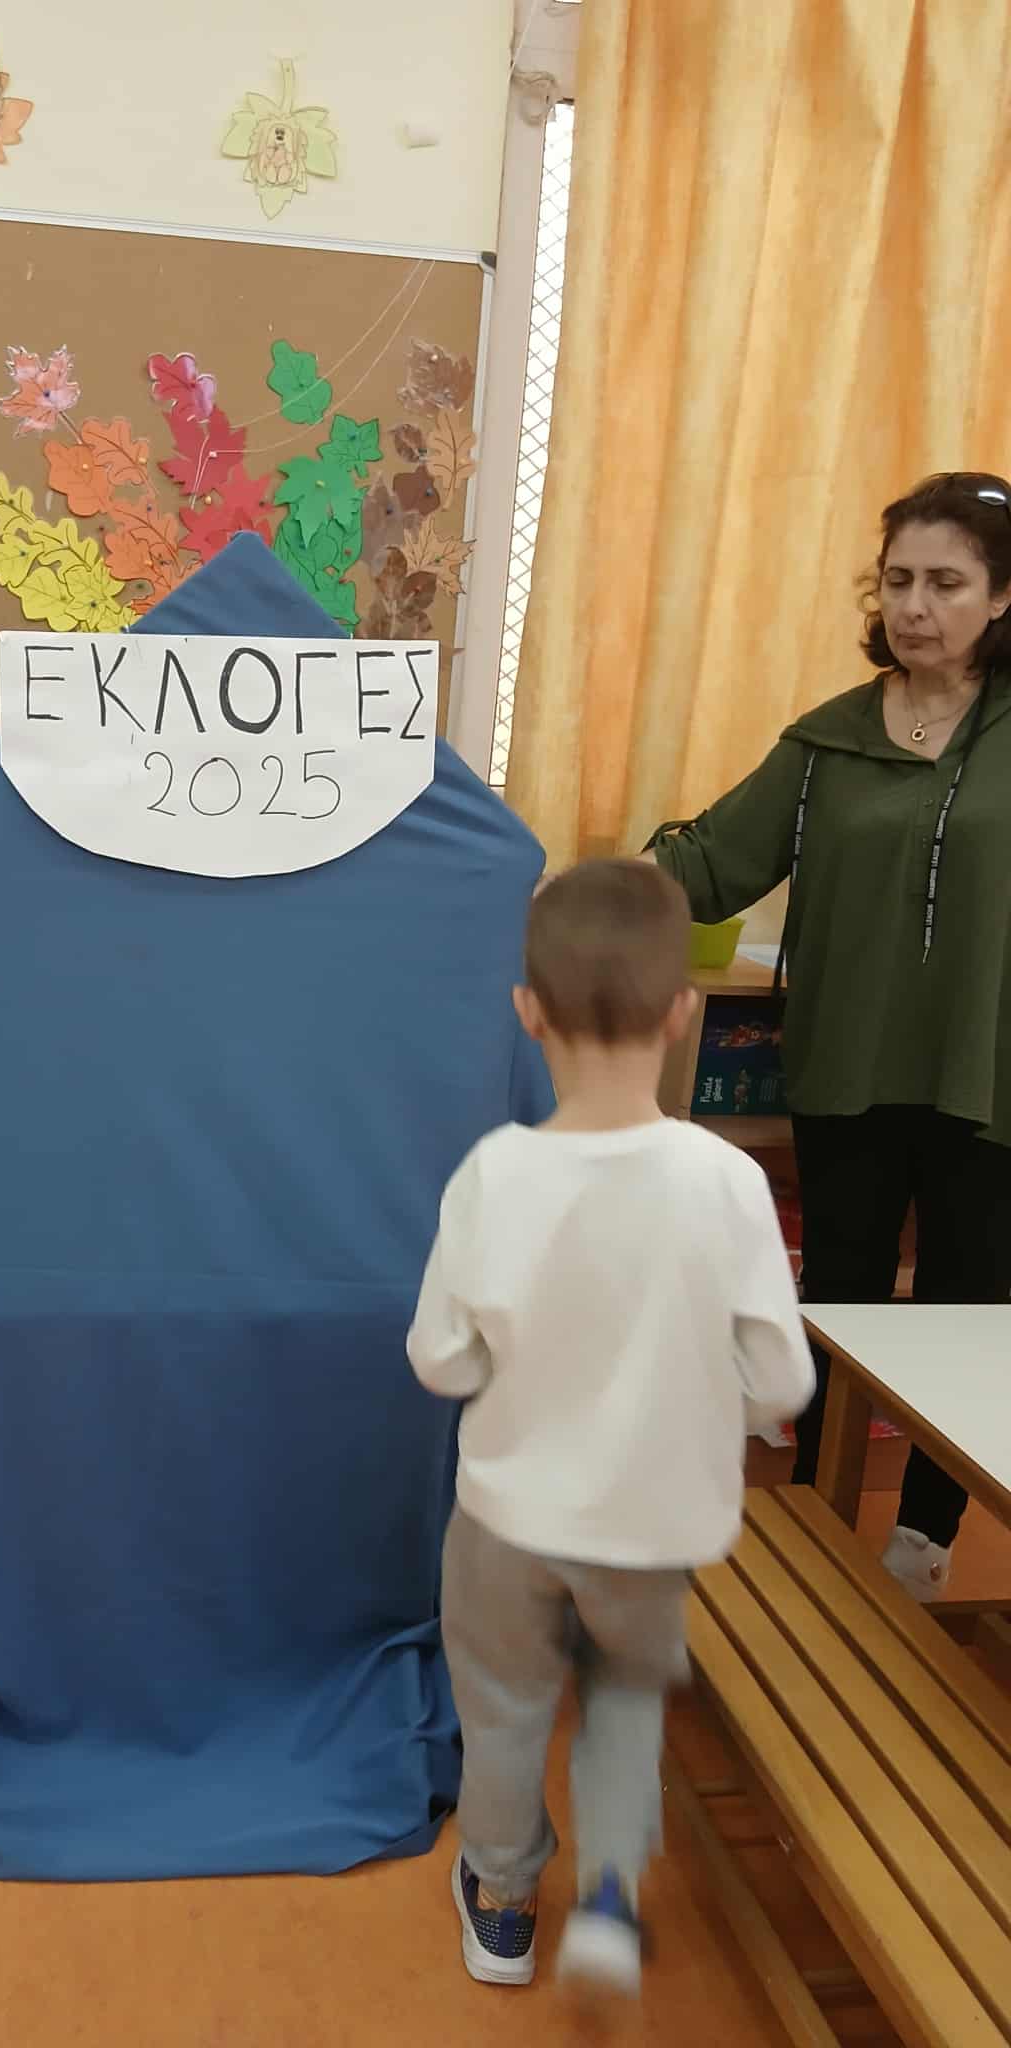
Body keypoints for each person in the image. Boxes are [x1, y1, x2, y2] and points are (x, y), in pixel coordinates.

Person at [407, 862, 812, 1996]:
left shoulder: (493, 1176)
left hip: (508, 1522)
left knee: (502, 1713)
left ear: (526, 1010)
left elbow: (439, 1359)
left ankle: (502, 1906)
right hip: (653, 1525)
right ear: (683, 1010)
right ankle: (612, 1897)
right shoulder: (728, 1182)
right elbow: (781, 1381)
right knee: (628, 1706)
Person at [652, 471, 1011, 1601]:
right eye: (899, 579)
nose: (916, 605)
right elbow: (712, 863)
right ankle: (812, 1523)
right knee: (839, 1298)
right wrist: (578, 892)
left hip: (989, 1075)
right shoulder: (830, 741)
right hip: (848, 1064)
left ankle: (924, 1540)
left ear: (1002, 596)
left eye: (946, 582)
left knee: (968, 1306)